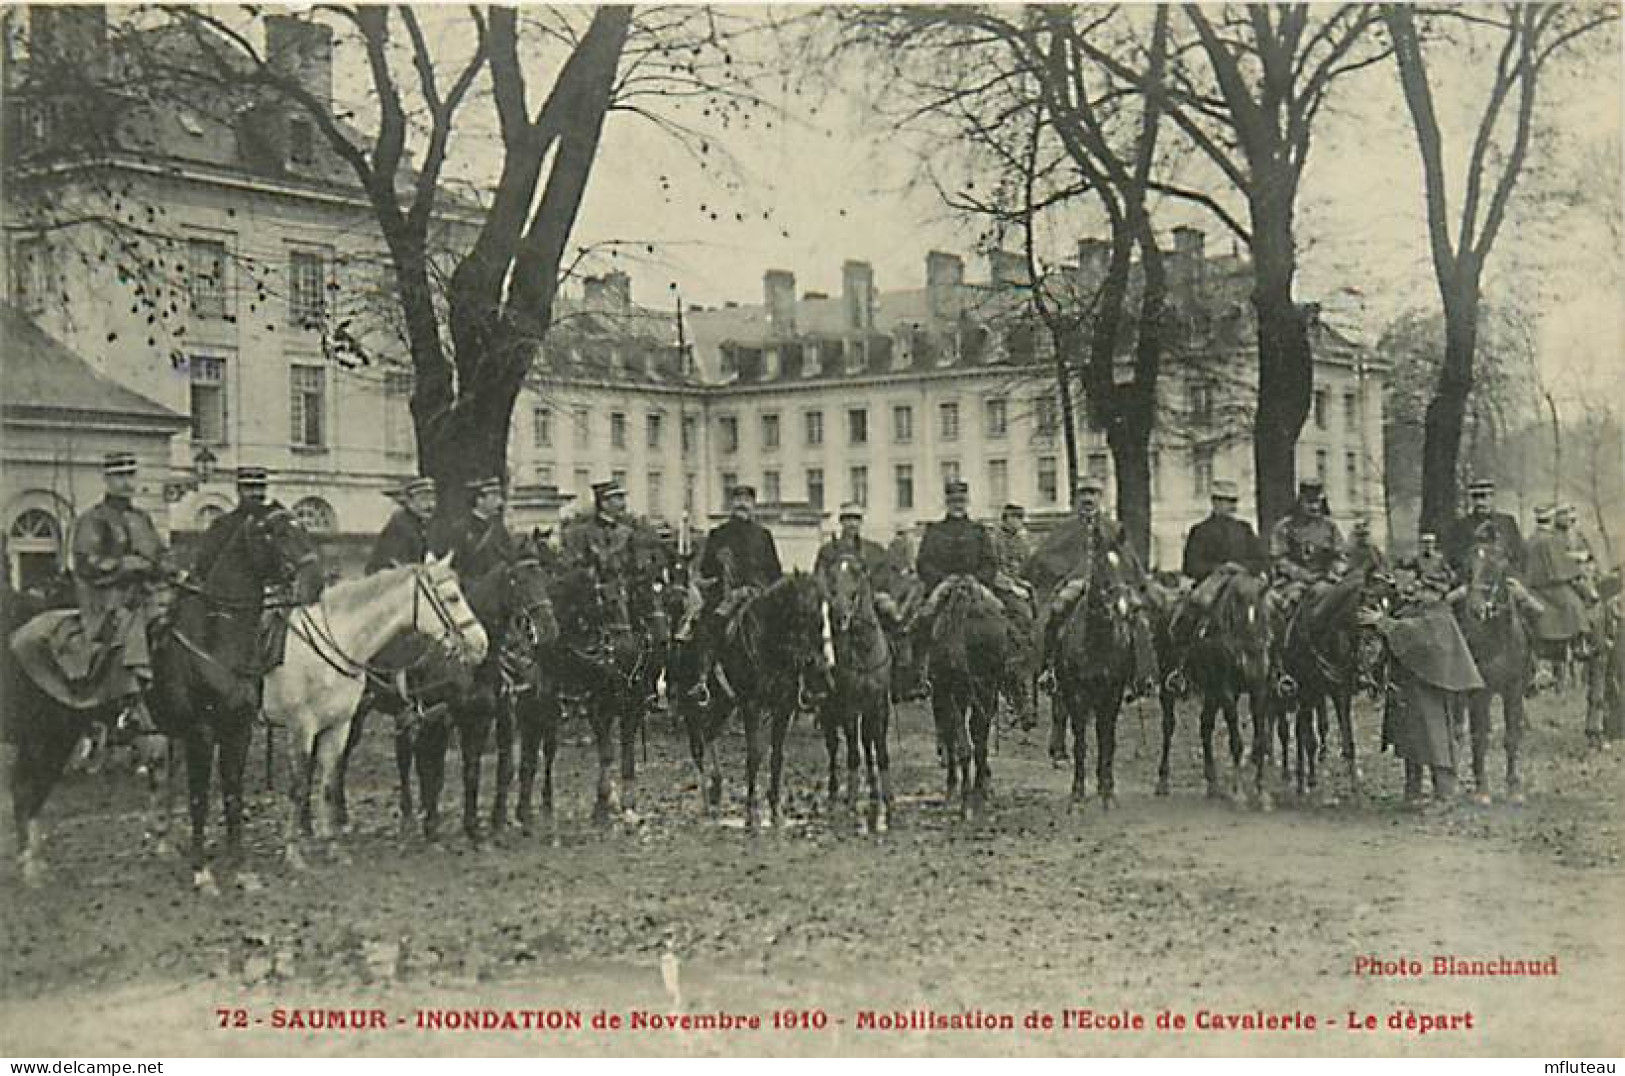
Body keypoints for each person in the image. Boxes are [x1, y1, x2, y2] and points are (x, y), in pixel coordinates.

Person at [1028, 475, 1158, 694]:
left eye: (1093, 494)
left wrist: (1137, 584)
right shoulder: (1065, 528)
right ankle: (1049, 670)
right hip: (1075, 583)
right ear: (1078, 498)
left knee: (1136, 616)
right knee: (1055, 612)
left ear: (1101, 497)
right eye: (1084, 494)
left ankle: (1141, 675)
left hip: (1111, 587)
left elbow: (1128, 559)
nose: (1089, 499)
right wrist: (1067, 573)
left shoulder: (1114, 528)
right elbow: (1044, 557)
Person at [71, 452, 171, 731]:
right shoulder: (93, 519)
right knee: (130, 625)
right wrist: (124, 565)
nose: (127, 483)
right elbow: (86, 562)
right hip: (107, 598)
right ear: (106, 479)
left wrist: (171, 569)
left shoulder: (142, 518)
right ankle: (128, 703)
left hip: (148, 593)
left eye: (130, 475)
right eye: (119, 476)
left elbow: (161, 554)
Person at [1167, 478, 1266, 672]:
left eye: (1232, 502)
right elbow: (1191, 565)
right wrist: (1218, 568)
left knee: (1272, 607)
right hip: (1213, 582)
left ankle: (1275, 666)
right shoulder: (1201, 530)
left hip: (1243, 580)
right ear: (1214, 502)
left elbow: (1261, 558)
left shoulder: (1244, 529)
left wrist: (1241, 568)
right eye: (1224, 501)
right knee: (1192, 608)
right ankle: (1181, 665)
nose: (1229, 506)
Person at [912, 479, 998, 634]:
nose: (958, 505)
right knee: (922, 620)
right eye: (953, 501)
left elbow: (990, 562)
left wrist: (977, 578)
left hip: (975, 584)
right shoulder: (935, 531)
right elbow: (923, 563)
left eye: (961, 501)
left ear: (967, 502)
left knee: (1000, 613)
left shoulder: (978, 530)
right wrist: (943, 579)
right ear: (947, 503)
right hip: (943, 585)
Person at [1269, 475, 1345, 611]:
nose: (1315, 507)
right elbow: (1279, 559)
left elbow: (1340, 556)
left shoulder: (1330, 527)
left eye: (1317, 502)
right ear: (1300, 502)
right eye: (1310, 502)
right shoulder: (1285, 527)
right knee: (1289, 604)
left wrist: (1333, 572)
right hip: (1293, 582)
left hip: (1325, 579)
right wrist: (1301, 574)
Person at [441, 476, 518, 581]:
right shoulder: (461, 529)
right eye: (494, 498)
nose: (500, 502)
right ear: (480, 500)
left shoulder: (499, 529)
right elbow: (454, 565)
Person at [1444, 477, 1524, 576]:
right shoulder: (1461, 526)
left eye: (1484, 496)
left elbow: (1519, 553)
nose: (1479, 502)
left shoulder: (1507, 523)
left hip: (1504, 578)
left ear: (1492, 497)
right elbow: (1454, 558)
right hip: (1473, 579)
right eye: (1475, 497)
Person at [367, 477, 436, 574]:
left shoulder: (420, 524)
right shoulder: (401, 524)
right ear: (409, 502)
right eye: (423, 499)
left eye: (432, 499)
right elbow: (396, 566)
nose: (430, 505)